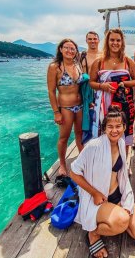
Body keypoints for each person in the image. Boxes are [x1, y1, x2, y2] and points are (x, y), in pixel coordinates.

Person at [71, 106, 135, 258]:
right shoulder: (93, 147)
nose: (115, 130)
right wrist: (94, 192)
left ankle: (116, 218)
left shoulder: (120, 143)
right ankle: (93, 233)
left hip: (117, 195)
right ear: (104, 128)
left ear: (125, 127)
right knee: (122, 220)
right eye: (110, 127)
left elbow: (121, 176)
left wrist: (125, 202)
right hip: (99, 200)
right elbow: (73, 173)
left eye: (118, 126)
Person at [89, 28, 135, 146]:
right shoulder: (99, 62)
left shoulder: (128, 61)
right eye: (112, 40)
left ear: (122, 43)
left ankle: (123, 162)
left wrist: (124, 84)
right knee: (105, 129)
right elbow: (91, 82)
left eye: (118, 40)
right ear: (107, 42)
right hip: (104, 103)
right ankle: (105, 159)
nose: (115, 43)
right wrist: (102, 86)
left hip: (124, 103)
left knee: (123, 131)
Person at [47, 39, 84, 177]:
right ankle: (62, 164)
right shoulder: (55, 67)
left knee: (79, 134)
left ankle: (83, 159)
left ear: (76, 51)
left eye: (73, 48)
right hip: (65, 108)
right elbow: (51, 91)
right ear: (61, 49)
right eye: (67, 48)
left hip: (79, 106)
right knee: (64, 137)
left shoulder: (77, 65)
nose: (70, 51)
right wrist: (56, 112)